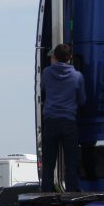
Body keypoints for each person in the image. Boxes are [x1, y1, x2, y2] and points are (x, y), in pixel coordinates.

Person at [40, 43, 86, 192]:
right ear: (70, 58)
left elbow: (43, 89)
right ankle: (71, 191)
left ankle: (46, 191)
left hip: (51, 121)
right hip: (69, 122)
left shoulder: (47, 73)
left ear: (54, 57)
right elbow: (82, 100)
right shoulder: (77, 76)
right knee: (70, 162)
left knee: (48, 162)